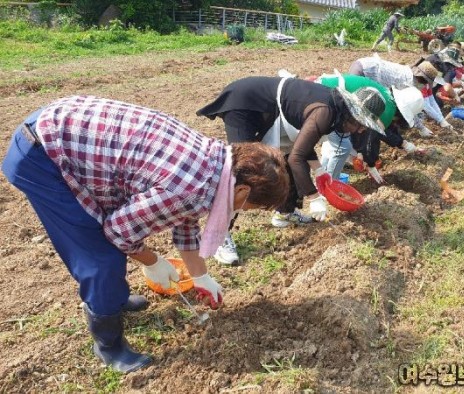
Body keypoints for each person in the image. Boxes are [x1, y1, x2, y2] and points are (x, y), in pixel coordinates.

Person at [1, 95, 290, 373]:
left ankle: (113, 299)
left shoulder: (217, 162)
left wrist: (200, 276)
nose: (243, 210)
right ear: (241, 190)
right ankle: (108, 346)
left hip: (64, 129)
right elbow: (118, 231)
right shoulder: (188, 188)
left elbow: (186, 220)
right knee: (101, 257)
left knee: (110, 250)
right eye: (250, 206)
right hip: (43, 154)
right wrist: (152, 261)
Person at [197, 76, 386, 262]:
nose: (361, 130)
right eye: (360, 124)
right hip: (247, 104)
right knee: (242, 173)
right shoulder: (325, 112)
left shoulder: (334, 110)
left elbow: (302, 146)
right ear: (351, 114)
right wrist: (314, 197)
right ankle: (219, 237)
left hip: (274, 112)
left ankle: (285, 212)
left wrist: (319, 171)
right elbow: (298, 157)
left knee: (284, 162)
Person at [315, 73, 424, 183]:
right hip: (328, 97)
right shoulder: (387, 112)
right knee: (342, 147)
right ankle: (330, 185)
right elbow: (369, 138)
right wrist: (370, 164)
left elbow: (384, 131)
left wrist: (403, 144)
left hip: (324, 89)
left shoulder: (388, 101)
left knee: (338, 143)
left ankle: (323, 179)